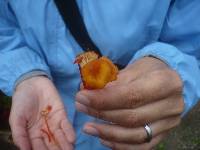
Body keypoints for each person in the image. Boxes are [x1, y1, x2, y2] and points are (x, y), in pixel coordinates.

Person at [0, 0, 200, 150]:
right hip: (45, 119)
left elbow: (191, 43)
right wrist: (25, 73)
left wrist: (167, 67)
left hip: (120, 130)